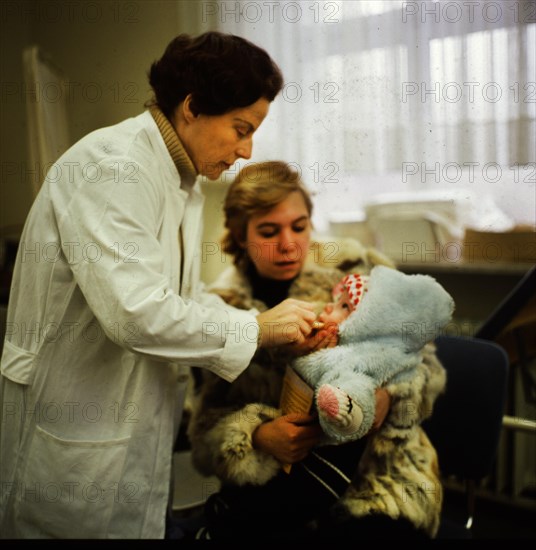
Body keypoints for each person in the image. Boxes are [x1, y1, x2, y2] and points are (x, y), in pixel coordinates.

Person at [0, 33, 322, 539]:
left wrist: (264, 325)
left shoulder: (180, 179)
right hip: (76, 422)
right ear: (192, 108)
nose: (246, 150)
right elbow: (137, 313)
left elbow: (178, 296)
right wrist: (256, 328)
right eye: (241, 128)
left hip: (129, 420)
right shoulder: (113, 168)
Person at [187, 161, 447, 540]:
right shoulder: (221, 310)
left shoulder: (355, 270)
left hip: (377, 474)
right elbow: (204, 427)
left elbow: (429, 365)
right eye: (269, 231)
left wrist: (390, 397)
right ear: (241, 235)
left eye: (299, 226)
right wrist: (258, 438)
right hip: (276, 486)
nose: (289, 244)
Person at [292, 267, 454, 443]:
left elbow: (424, 365)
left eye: (344, 305)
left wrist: (391, 395)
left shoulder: (374, 349)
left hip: (380, 451)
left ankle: (351, 412)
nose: (329, 306)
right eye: (268, 236)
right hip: (305, 442)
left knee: (353, 384)